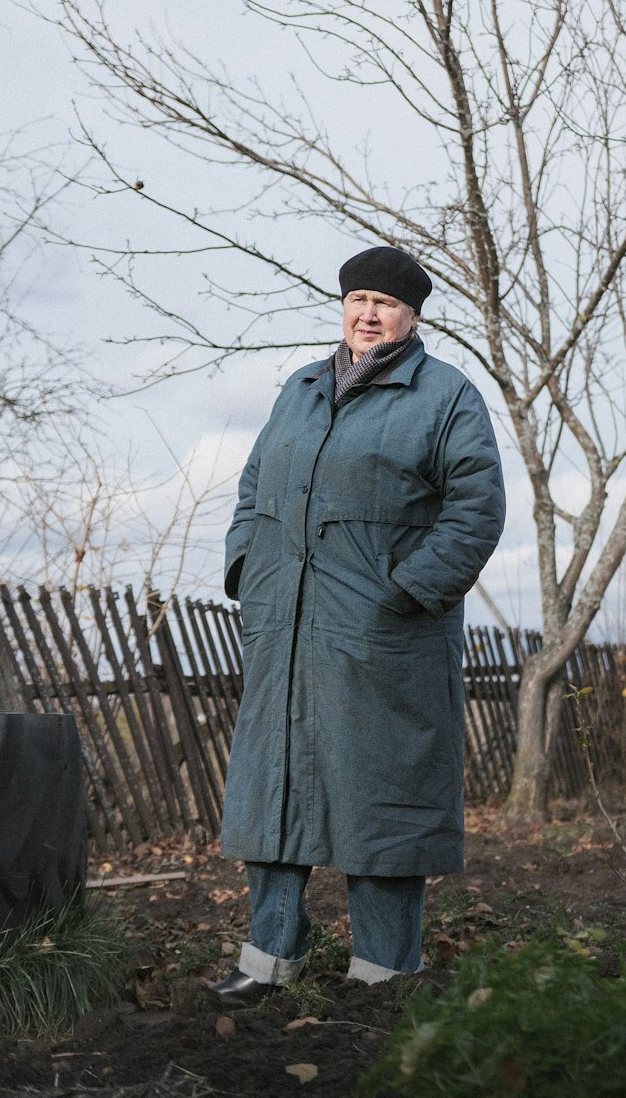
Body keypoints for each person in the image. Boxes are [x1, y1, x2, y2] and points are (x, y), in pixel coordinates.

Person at [211, 245, 506, 1004]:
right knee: (274, 793)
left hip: (385, 635)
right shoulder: (301, 388)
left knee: (384, 799)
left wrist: (406, 593)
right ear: (343, 307)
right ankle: (268, 957)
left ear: (412, 316)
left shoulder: (445, 395)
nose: (368, 314)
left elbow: (477, 509)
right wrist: (249, 568)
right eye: (358, 300)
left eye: (386, 304)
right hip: (288, 628)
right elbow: (252, 488)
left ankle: (382, 967)